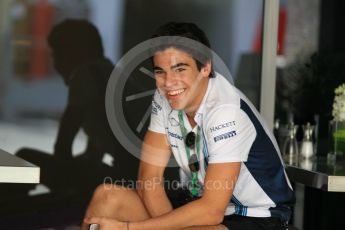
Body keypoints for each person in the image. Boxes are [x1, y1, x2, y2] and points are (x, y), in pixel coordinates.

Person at [83, 22, 295, 230]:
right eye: (160, 72)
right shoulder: (164, 97)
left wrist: (129, 228)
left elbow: (212, 210)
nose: (169, 82)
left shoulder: (226, 110)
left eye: (179, 69)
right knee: (107, 197)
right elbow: (149, 180)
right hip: (198, 204)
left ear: (205, 67)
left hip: (257, 216)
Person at [15, 19, 138, 194]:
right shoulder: (107, 74)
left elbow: (63, 145)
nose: (54, 63)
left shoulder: (86, 73)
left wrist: (58, 173)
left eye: (55, 54)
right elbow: (93, 156)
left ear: (71, 53)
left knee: (24, 158)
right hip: (143, 181)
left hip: (128, 183)